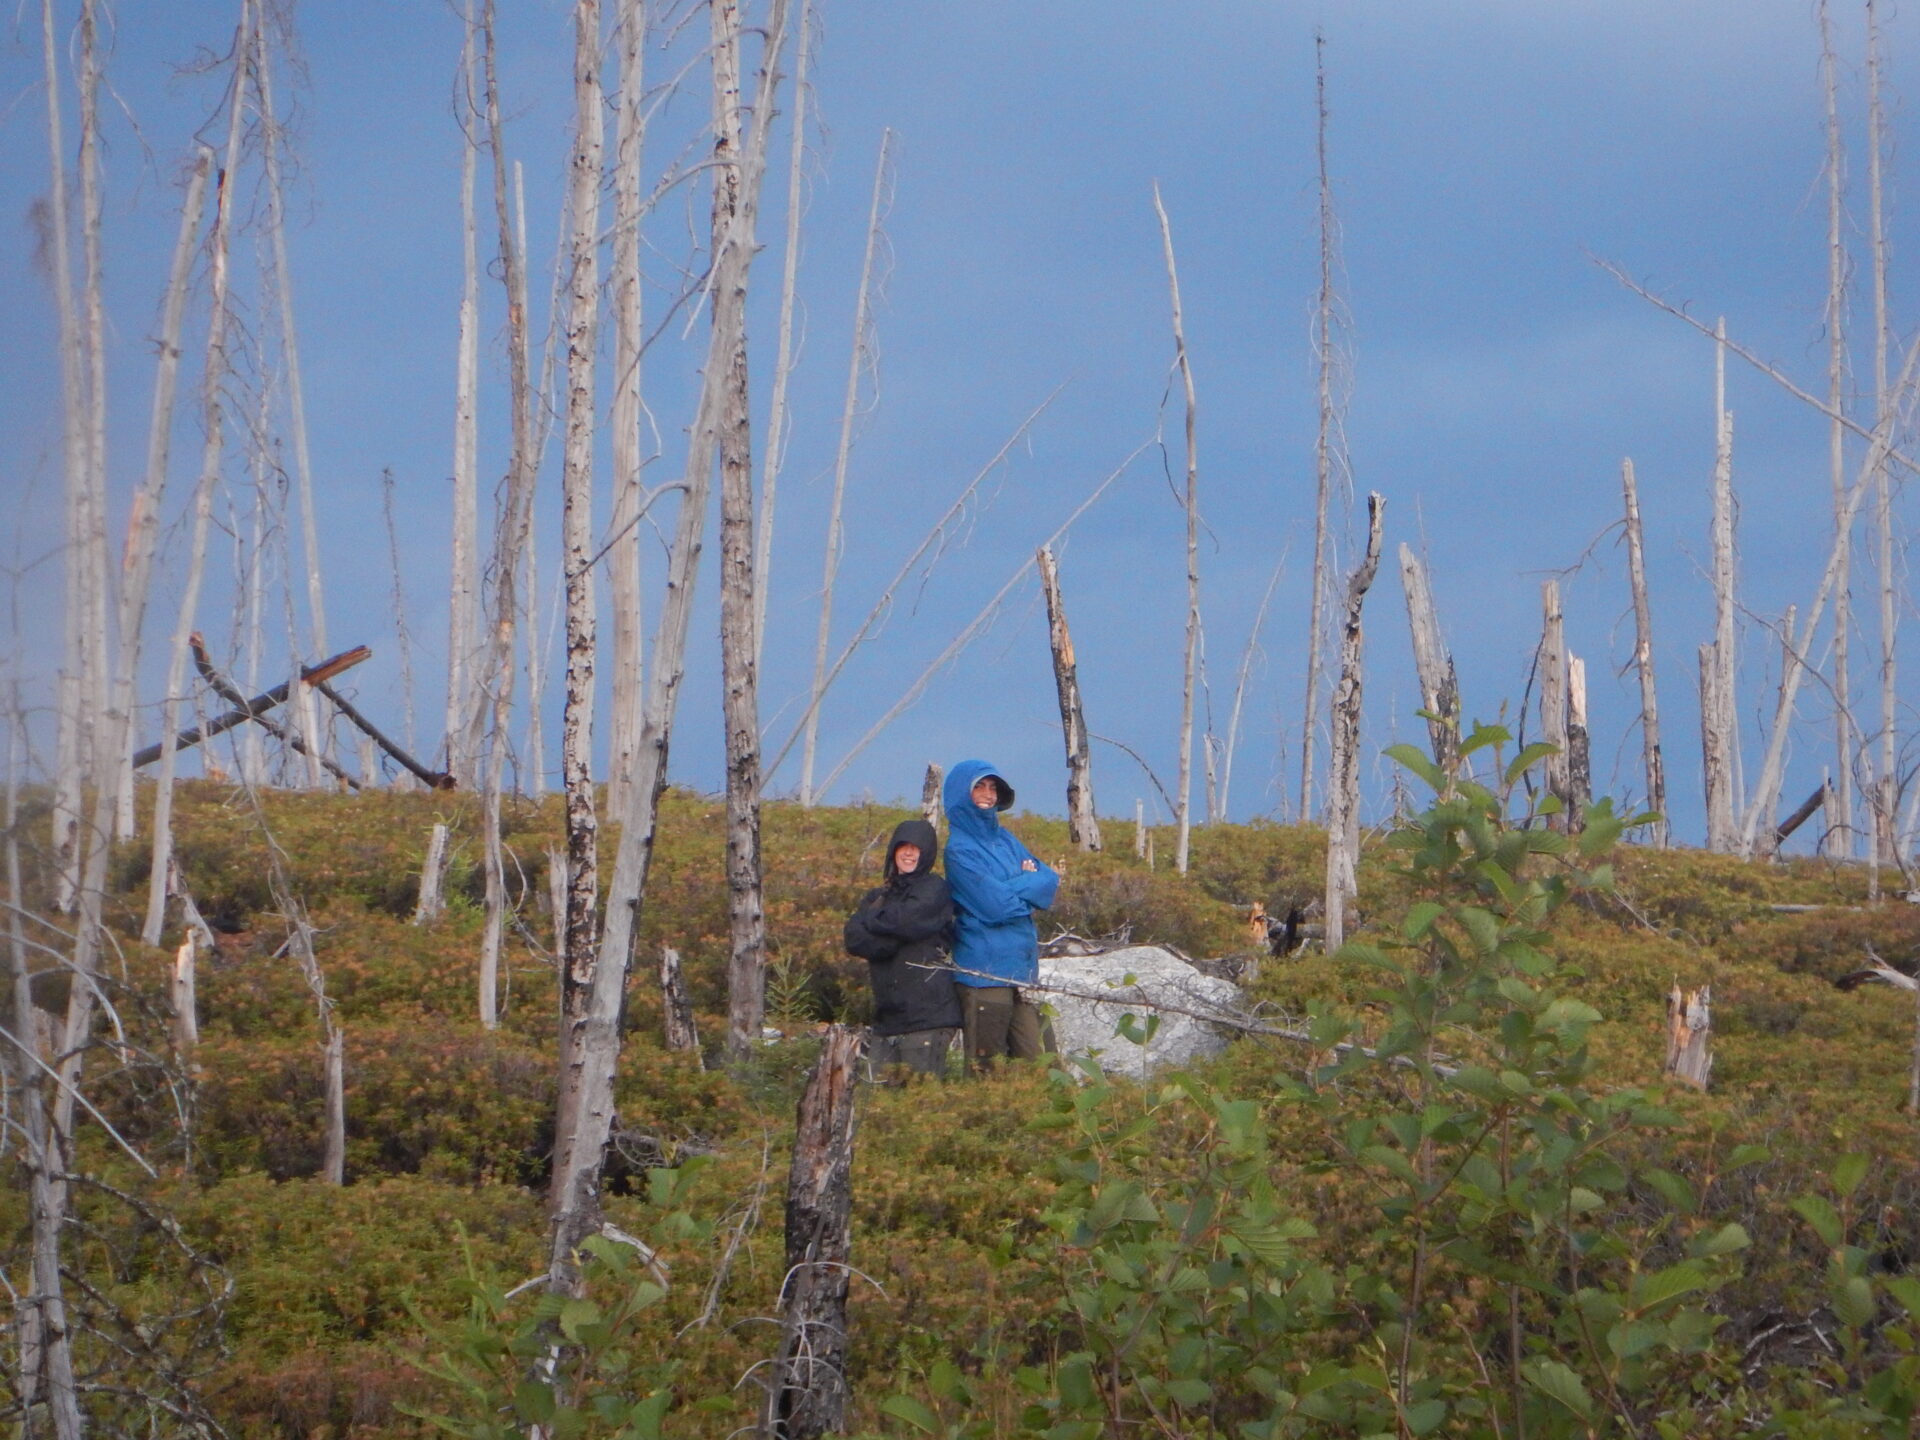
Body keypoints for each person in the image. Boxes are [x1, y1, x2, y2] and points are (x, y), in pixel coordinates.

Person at [941, 758, 1059, 1071]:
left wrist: (1014, 888)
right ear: (959, 793)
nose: (988, 793)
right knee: (988, 1069)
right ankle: (987, 1120)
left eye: (993, 787)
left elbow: (1048, 880)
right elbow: (996, 907)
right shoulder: (959, 850)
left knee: (1042, 1065)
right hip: (983, 972)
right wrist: (1027, 888)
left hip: (1021, 970)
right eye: (979, 785)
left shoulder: (1006, 839)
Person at [843, 817, 961, 1079]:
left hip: (928, 1019)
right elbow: (853, 939)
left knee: (920, 1105)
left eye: (917, 847)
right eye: (903, 846)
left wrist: (870, 921)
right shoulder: (877, 896)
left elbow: (907, 921)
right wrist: (891, 934)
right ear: (893, 850)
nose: (909, 852)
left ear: (927, 853)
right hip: (887, 1021)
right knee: (879, 1107)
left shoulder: (935, 889)